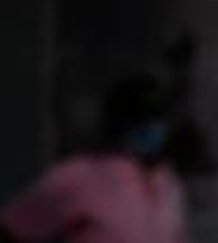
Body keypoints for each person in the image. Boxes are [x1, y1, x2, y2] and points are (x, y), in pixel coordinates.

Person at [0, 73, 188, 243]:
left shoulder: (167, 182)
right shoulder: (81, 178)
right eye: (139, 120)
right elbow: (13, 228)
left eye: (157, 120)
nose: (150, 129)